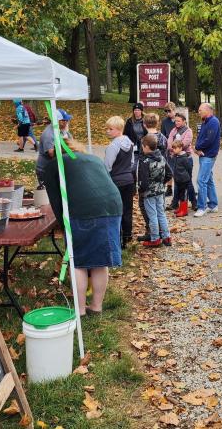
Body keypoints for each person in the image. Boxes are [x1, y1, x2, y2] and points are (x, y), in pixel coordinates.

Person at [43, 139, 122, 316]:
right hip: (113, 206)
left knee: (78, 261)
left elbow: (56, 201)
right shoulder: (93, 158)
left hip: (84, 209)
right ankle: (96, 307)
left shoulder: (54, 165)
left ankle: (79, 310)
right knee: (100, 260)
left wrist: (63, 225)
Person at [104, 116, 136, 247]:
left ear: (118, 130)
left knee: (116, 210)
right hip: (128, 180)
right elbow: (132, 162)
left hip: (116, 181)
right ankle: (127, 236)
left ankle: (117, 238)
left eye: (110, 129)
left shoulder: (113, 146)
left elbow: (107, 167)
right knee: (128, 210)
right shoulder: (130, 143)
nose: (107, 131)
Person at [138, 134, 172, 247]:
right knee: (161, 214)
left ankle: (155, 239)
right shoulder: (162, 157)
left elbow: (143, 180)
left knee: (152, 216)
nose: (142, 148)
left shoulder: (145, 161)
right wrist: (162, 183)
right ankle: (167, 237)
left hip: (149, 193)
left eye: (142, 146)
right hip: (160, 191)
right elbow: (169, 173)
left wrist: (142, 191)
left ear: (146, 147)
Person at [193, 103, 221, 217]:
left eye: (200, 110)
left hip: (208, 155)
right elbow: (202, 137)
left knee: (201, 181)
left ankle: (202, 207)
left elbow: (209, 139)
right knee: (208, 180)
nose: (198, 112)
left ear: (208, 110)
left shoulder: (213, 121)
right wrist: (197, 148)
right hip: (204, 154)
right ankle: (213, 205)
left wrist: (197, 148)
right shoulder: (206, 121)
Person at [168, 110, 197, 210]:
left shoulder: (188, 131)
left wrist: (175, 147)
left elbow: (184, 144)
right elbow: (169, 142)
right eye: (175, 121)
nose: (176, 123)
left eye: (179, 121)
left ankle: (194, 202)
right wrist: (173, 148)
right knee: (177, 181)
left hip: (186, 159)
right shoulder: (174, 130)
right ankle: (175, 203)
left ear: (184, 121)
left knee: (187, 182)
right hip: (176, 159)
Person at [36, 108, 73, 186]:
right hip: (45, 170)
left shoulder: (62, 130)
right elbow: (52, 154)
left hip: (56, 169)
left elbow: (73, 145)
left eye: (67, 120)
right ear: (57, 121)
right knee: (50, 195)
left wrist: (66, 133)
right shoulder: (49, 134)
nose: (66, 122)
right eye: (64, 120)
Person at [170, 140, 193, 217]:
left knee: (184, 195)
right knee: (180, 195)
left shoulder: (184, 158)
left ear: (180, 148)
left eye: (175, 148)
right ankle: (180, 208)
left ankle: (184, 211)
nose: (173, 150)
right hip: (178, 180)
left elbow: (189, 168)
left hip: (184, 180)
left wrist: (188, 177)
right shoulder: (176, 156)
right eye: (173, 148)